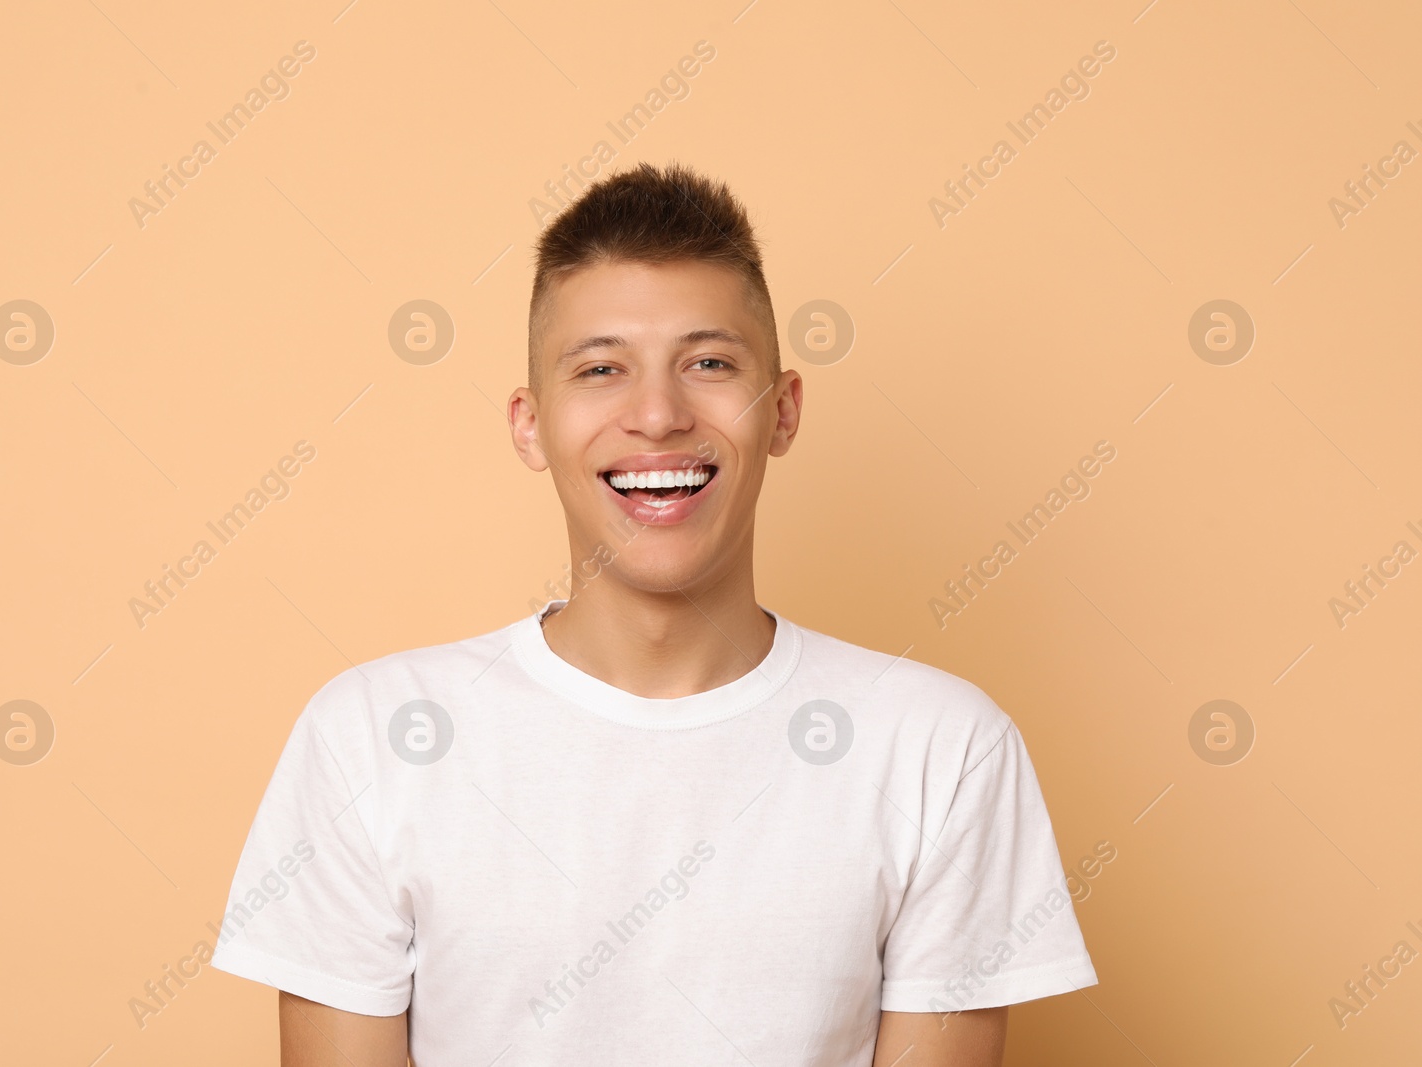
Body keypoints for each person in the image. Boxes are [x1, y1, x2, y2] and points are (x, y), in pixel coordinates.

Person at [210, 161, 1097, 1066]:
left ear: (783, 410)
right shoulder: (372, 737)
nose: (658, 414)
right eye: (601, 369)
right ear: (530, 424)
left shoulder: (942, 748)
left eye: (708, 363)